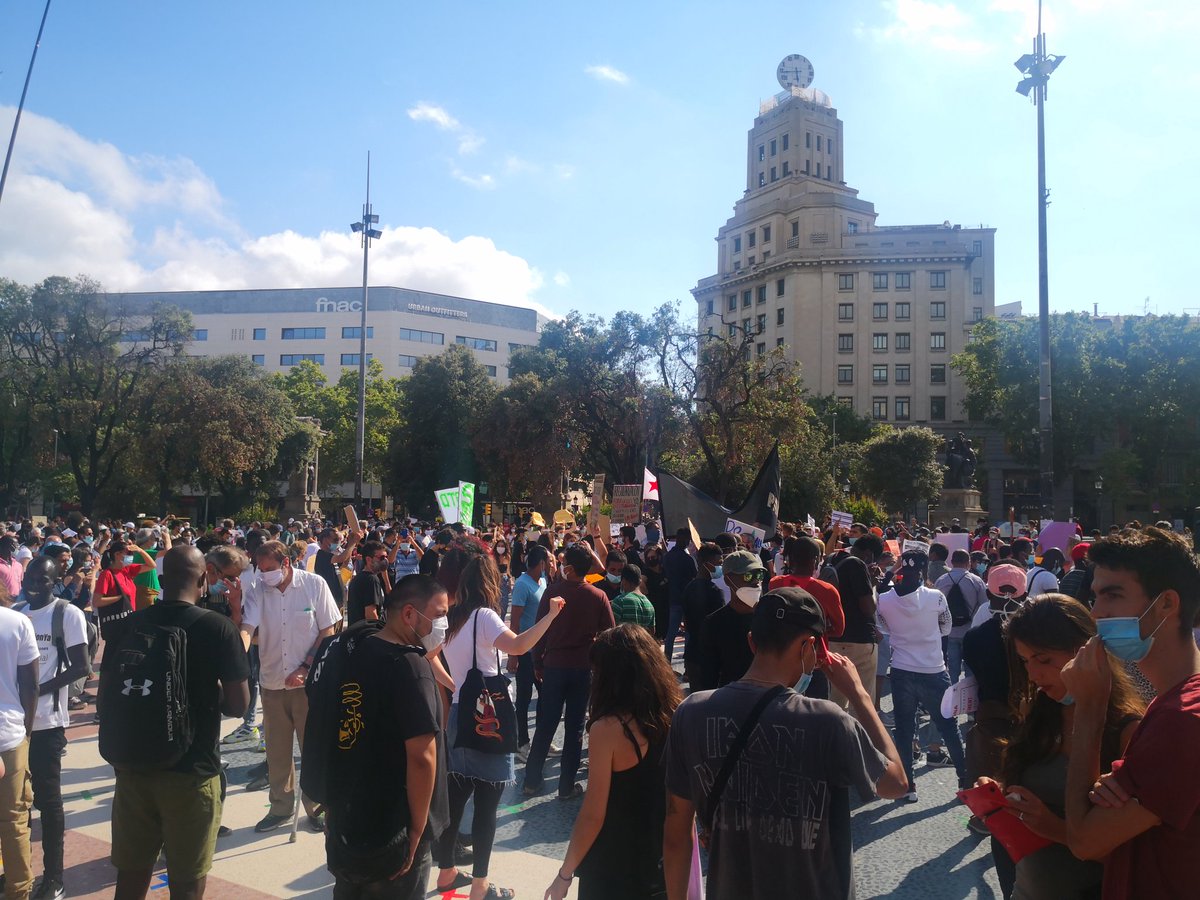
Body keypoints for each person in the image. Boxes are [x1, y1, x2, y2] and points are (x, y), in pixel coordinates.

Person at [662, 588, 908, 900]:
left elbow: (676, 835)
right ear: (808, 646)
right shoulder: (828, 721)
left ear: (752, 642)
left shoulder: (691, 712)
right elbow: (896, 784)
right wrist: (859, 695)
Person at [1060, 527, 1200, 898]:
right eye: (1095, 596)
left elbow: (1085, 842)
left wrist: (1090, 708)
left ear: (1167, 604)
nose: (1095, 612)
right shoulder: (1173, 702)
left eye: (1113, 595)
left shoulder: (1182, 719)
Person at [107, 545, 249, 900]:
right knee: (186, 881)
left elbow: (107, 695)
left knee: (130, 875)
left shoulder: (129, 624)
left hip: (133, 769)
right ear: (203, 580)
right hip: (192, 772)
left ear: (162, 579)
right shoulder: (218, 628)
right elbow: (239, 705)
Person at [979, 594, 1143, 900]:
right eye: (1025, 661)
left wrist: (1053, 827)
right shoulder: (1039, 711)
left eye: (1043, 660)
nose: (1033, 674)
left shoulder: (1127, 731)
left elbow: (1138, 857)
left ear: (1085, 651)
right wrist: (1000, 795)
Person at [434, 555, 564, 900]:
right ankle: (480, 886)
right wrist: (550, 615)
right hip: (488, 716)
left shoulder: (453, 619)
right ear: (492, 584)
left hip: (460, 712)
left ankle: (446, 872)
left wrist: (455, 685)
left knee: (457, 799)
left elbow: (428, 655)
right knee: (487, 804)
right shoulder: (485, 616)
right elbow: (518, 645)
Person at [324, 574, 450, 900]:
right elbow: (422, 756)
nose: (443, 625)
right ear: (409, 614)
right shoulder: (410, 665)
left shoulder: (354, 650)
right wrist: (418, 829)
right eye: (439, 615)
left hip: (350, 814)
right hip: (395, 822)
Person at [545, 624, 683, 900]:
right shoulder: (676, 714)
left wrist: (564, 874)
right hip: (660, 862)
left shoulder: (609, 729)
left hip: (613, 866)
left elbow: (593, 814)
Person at [239, 540, 341, 833]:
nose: (264, 575)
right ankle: (280, 807)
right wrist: (237, 649)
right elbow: (248, 627)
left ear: (286, 563)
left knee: (313, 749)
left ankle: (316, 806)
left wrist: (305, 667)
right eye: (260, 569)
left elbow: (328, 630)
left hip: (308, 685)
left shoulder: (314, 584)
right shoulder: (259, 589)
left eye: (269, 569)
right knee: (277, 752)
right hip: (272, 683)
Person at [13, 559, 87, 900]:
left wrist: (37, 691)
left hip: (47, 724)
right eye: (29, 577)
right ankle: (19, 873)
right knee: (16, 805)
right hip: (15, 726)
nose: (33, 584)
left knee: (48, 802)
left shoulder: (66, 614)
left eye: (42, 579)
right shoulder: (17, 613)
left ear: (55, 581)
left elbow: (81, 666)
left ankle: (54, 878)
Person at [522, 544, 614, 800]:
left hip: (554, 666)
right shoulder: (598, 596)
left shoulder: (552, 592)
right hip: (583, 668)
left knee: (546, 724)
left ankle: (531, 781)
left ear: (569, 568)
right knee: (575, 727)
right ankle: (566, 786)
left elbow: (540, 629)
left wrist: (537, 662)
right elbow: (609, 633)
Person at [876, 550, 967, 801]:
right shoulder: (936, 597)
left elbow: (883, 626)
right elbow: (946, 627)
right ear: (924, 570)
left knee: (905, 729)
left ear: (900, 568)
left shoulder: (884, 599)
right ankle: (964, 781)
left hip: (901, 670)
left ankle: (909, 787)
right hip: (933, 670)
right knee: (949, 727)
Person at [769, 535, 844, 699]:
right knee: (816, 711)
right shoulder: (827, 590)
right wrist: (816, 632)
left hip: (781, 658)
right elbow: (839, 630)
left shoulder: (775, 583)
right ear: (816, 560)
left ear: (790, 559)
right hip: (814, 661)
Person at [0, 592, 40, 900]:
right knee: (13, 819)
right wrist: (26, 728)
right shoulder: (16, 622)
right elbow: (30, 684)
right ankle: (18, 892)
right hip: (9, 734)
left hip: (9, 732)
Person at [828, 533, 884, 714]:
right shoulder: (857, 564)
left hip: (834, 638)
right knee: (862, 701)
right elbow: (868, 608)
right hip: (859, 641)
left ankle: (835, 731)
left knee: (836, 700)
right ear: (869, 554)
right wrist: (872, 584)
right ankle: (859, 732)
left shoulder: (832, 559)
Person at [697, 550, 766, 690]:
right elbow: (708, 676)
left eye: (759, 575)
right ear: (728, 580)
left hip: (769, 699)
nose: (756, 581)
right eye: (748, 576)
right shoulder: (714, 624)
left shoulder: (772, 618)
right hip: (730, 699)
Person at [509, 545, 548, 749]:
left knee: (545, 696)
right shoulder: (522, 585)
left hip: (542, 651)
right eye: (548, 561)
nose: (551, 564)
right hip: (525, 651)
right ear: (541, 563)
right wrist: (513, 654)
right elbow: (514, 622)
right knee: (524, 698)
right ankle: (522, 742)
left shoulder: (543, 581)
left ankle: (542, 740)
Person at [935, 549, 988, 683]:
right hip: (971, 630)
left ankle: (953, 691)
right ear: (968, 562)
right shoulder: (976, 581)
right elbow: (984, 605)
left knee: (952, 667)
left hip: (949, 631)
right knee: (970, 667)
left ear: (952, 562)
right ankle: (968, 693)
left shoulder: (941, 580)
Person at [681, 543, 724, 691]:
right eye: (718, 563)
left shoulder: (688, 589)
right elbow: (719, 626)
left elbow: (686, 622)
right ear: (706, 564)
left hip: (692, 654)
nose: (720, 567)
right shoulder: (715, 592)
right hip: (710, 657)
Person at [661, 529, 698, 661]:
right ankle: (688, 662)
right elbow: (695, 576)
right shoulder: (687, 559)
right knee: (688, 632)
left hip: (673, 598)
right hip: (687, 599)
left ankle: (667, 661)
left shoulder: (667, 557)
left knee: (671, 633)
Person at [313, 526, 361, 615]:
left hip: (337, 597)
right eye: (335, 540)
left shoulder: (331, 555)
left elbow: (345, 563)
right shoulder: (322, 555)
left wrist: (350, 543)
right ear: (325, 540)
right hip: (329, 597)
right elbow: (341, 558)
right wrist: (352, 543)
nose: (338, 543)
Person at [346, 539, 388, 625]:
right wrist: (378, 630)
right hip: (366, 631)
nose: (385, 561)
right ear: (368, 559)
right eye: (381, 558)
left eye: (386, 557)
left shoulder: (359, 578)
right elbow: (370, 614)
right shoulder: (371, 580)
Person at [610, 565, 655, 631]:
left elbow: (610, 627)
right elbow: (652, 631)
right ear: (640, 581)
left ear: (623, 580)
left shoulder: (620, 601)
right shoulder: (649, 604)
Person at [641, 546, 669, 641]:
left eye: (653, 557)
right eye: (648, 557)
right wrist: (647, 595)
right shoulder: (646, 571)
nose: (650, 559)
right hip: (654, 606)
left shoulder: (664, 570)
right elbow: (641, 582)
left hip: (666, 606)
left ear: (659, 557)